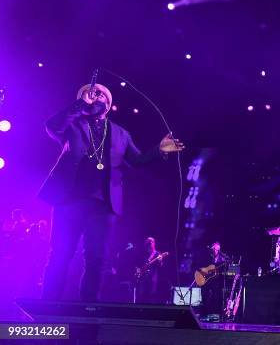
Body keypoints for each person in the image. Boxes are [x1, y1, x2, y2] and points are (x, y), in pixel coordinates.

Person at [39, 83, 184, 301]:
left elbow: (136, 160)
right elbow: (53, 126)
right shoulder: (72, 124)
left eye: (98, 95)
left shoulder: (120, 134)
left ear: (108, 103)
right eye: (88, 95)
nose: (93, 97)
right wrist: (80, 104)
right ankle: (47, 305)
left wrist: (159, 150)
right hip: (69, 200)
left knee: (97, 259)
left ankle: (87, 308)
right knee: (61, 254)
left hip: (103, 205)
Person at [135, 237, 164, 303]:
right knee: (140, 296)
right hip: (142, 278)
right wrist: (138, 270)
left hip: (152, 278)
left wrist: (160, 261)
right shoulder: (143, 254)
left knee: (151, 297)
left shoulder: (157, 254)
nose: (150, 243)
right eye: (149, 242)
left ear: (154, 243)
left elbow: (160, 266)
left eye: (152, 242)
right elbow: (137, 264)